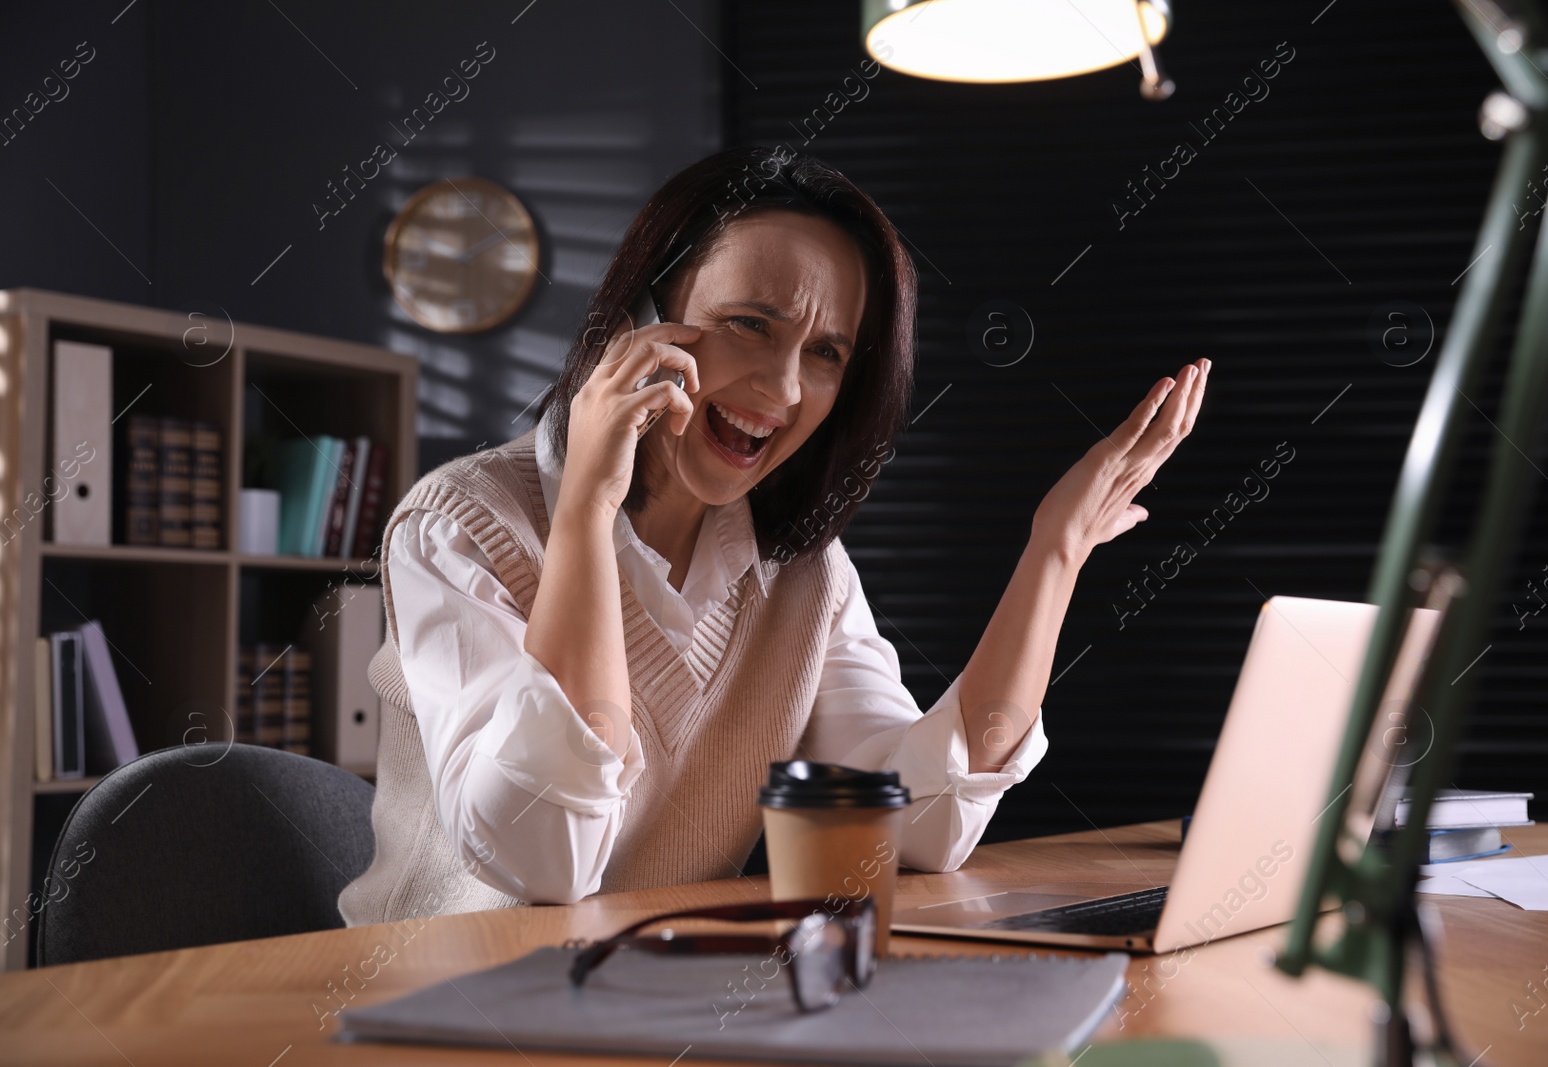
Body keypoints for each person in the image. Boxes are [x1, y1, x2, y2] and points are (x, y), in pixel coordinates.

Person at [338, 145, 1209, 925]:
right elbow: (544, 863)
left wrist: (1054, 552)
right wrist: (584, 514)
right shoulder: (456, 523)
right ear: (638, 325)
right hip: (432, 1008)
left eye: (827, 353)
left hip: (641, 1007)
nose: (785, 388)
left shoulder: (804, 574)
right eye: (750, 324)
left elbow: (915, 821)